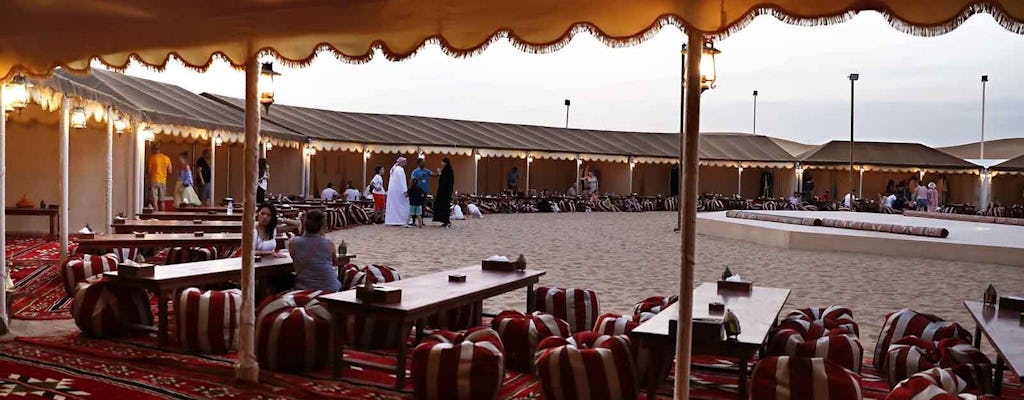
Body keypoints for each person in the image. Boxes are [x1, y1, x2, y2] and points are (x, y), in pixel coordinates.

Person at [287, 210, 341, 292]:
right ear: (323, 226)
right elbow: (335, 262)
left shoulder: (293, 243)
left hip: (305, 288)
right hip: (330, 288)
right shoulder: (329, 244)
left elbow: (294, 257)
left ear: (304, 224)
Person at [384, 157, 411, 225]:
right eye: (405, 162)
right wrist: (405, 191)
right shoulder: (400, 169)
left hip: (393, 191)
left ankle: (392, 220)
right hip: (399, 191)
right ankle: (402, 220)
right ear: (401, 162)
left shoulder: (393, 168)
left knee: (393, 206)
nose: (405, 164)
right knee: (403, 205)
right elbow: (402, 181)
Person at [147, 142, 172, 210]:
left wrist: (148, 175)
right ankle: (162, 215)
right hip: (163, 180)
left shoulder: (152, 158)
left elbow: (149, 171)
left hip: (154, 179)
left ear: (153, 150)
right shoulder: (166, 158)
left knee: (155, 200)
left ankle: (156, 214)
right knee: (162, 200)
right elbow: (170, 171)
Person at [432, 158, 454, 228]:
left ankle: (447, 221)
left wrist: (440, 173)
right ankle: (444, 221)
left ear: (445, 163)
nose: (441, 163)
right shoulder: (446, 170)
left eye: (442, 162)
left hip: (445, 192)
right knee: (441, 205)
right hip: (442, 192)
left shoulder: (448, 171)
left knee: (445, 206)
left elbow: (446, 180)